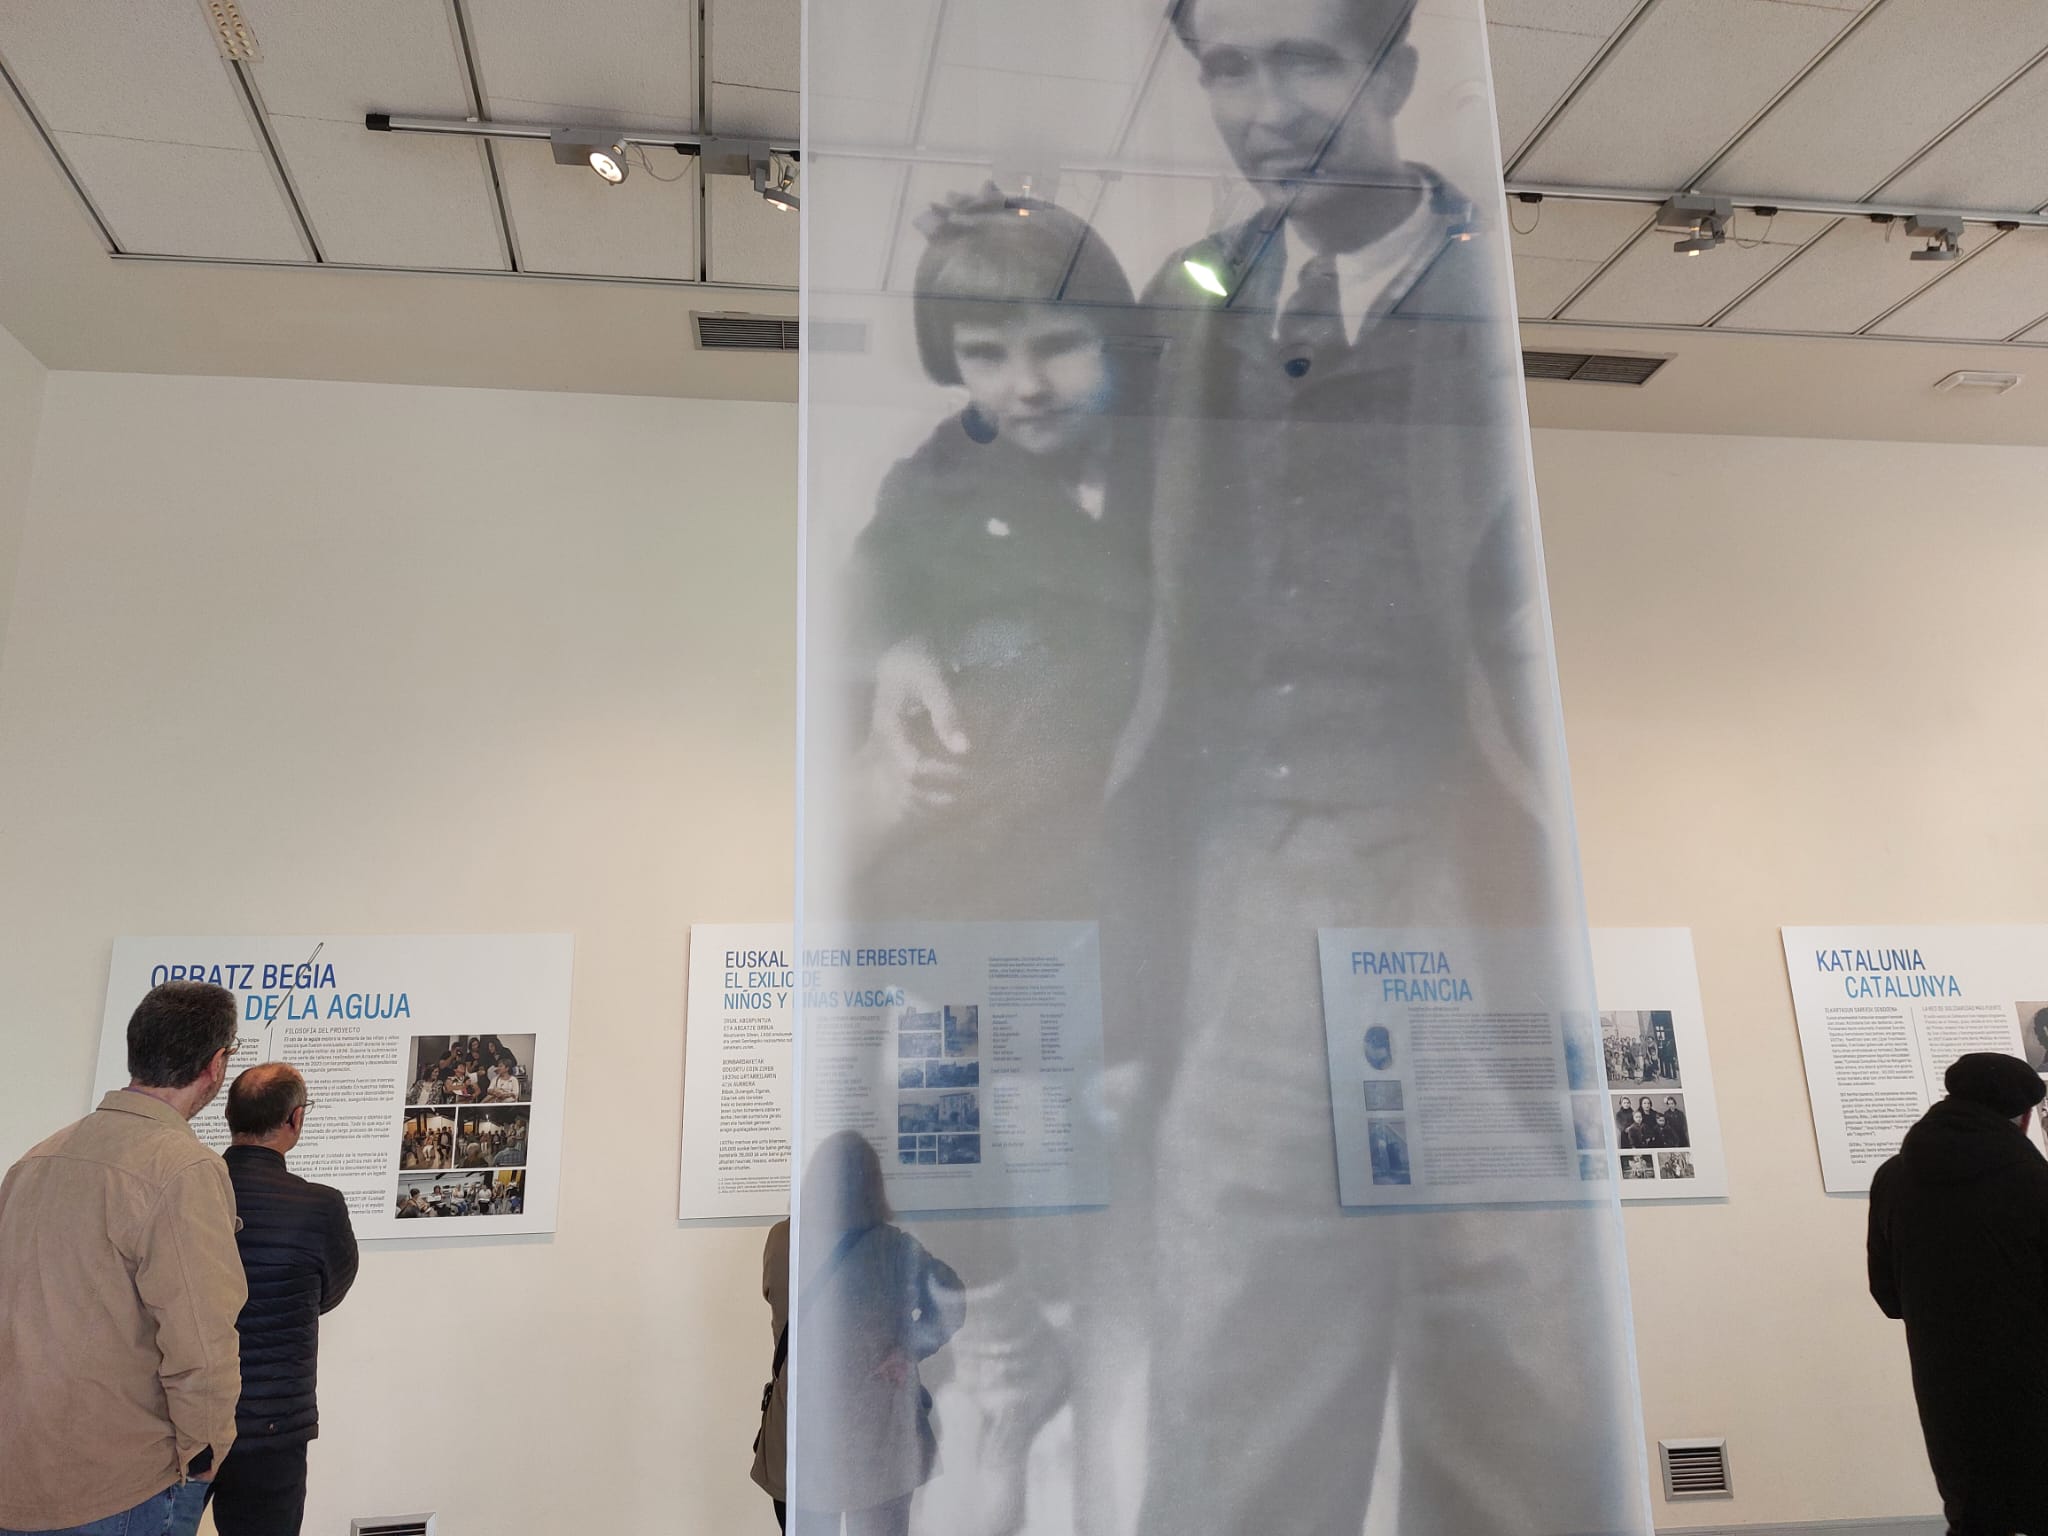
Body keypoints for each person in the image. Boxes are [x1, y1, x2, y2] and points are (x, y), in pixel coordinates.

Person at [842, 188, 1152, 923]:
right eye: (985, 355)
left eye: (1056, 345)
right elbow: (860, 616)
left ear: (1106, 334)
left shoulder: (1190, 448)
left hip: (1169, 849)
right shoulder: (934, 484)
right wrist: (895, 647)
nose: (1027, 387)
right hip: (1000, 874)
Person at [0, 982, 245, 1536]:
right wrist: (204, 1458)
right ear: (215, 1064)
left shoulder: (33, 1161)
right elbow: (203, 1345)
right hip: (118, 1488)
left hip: (17, 1473)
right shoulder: (183, 1169)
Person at [1870, 1053, 2048, 1536]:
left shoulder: (1894, 1176)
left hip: (1944, 1380)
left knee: (1973, 1511)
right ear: (2024, 1116)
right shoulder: (2035, 1180)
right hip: (2034, 1378)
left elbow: (1887, 1294)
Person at [778, 1131, 965, 1536]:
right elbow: (952, 1298)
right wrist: (909, 1349)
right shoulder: (893, 1248)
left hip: (805, 1427)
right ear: (872, 1183)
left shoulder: (783, 1241)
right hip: (878, 1429)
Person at [212, 1064, 359, 1536]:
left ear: (230, 1116)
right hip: (275, 1422)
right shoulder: (321, 1205)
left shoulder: (187, 1192)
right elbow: (330, 1291)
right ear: (295, 1119)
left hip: (183, 1417)